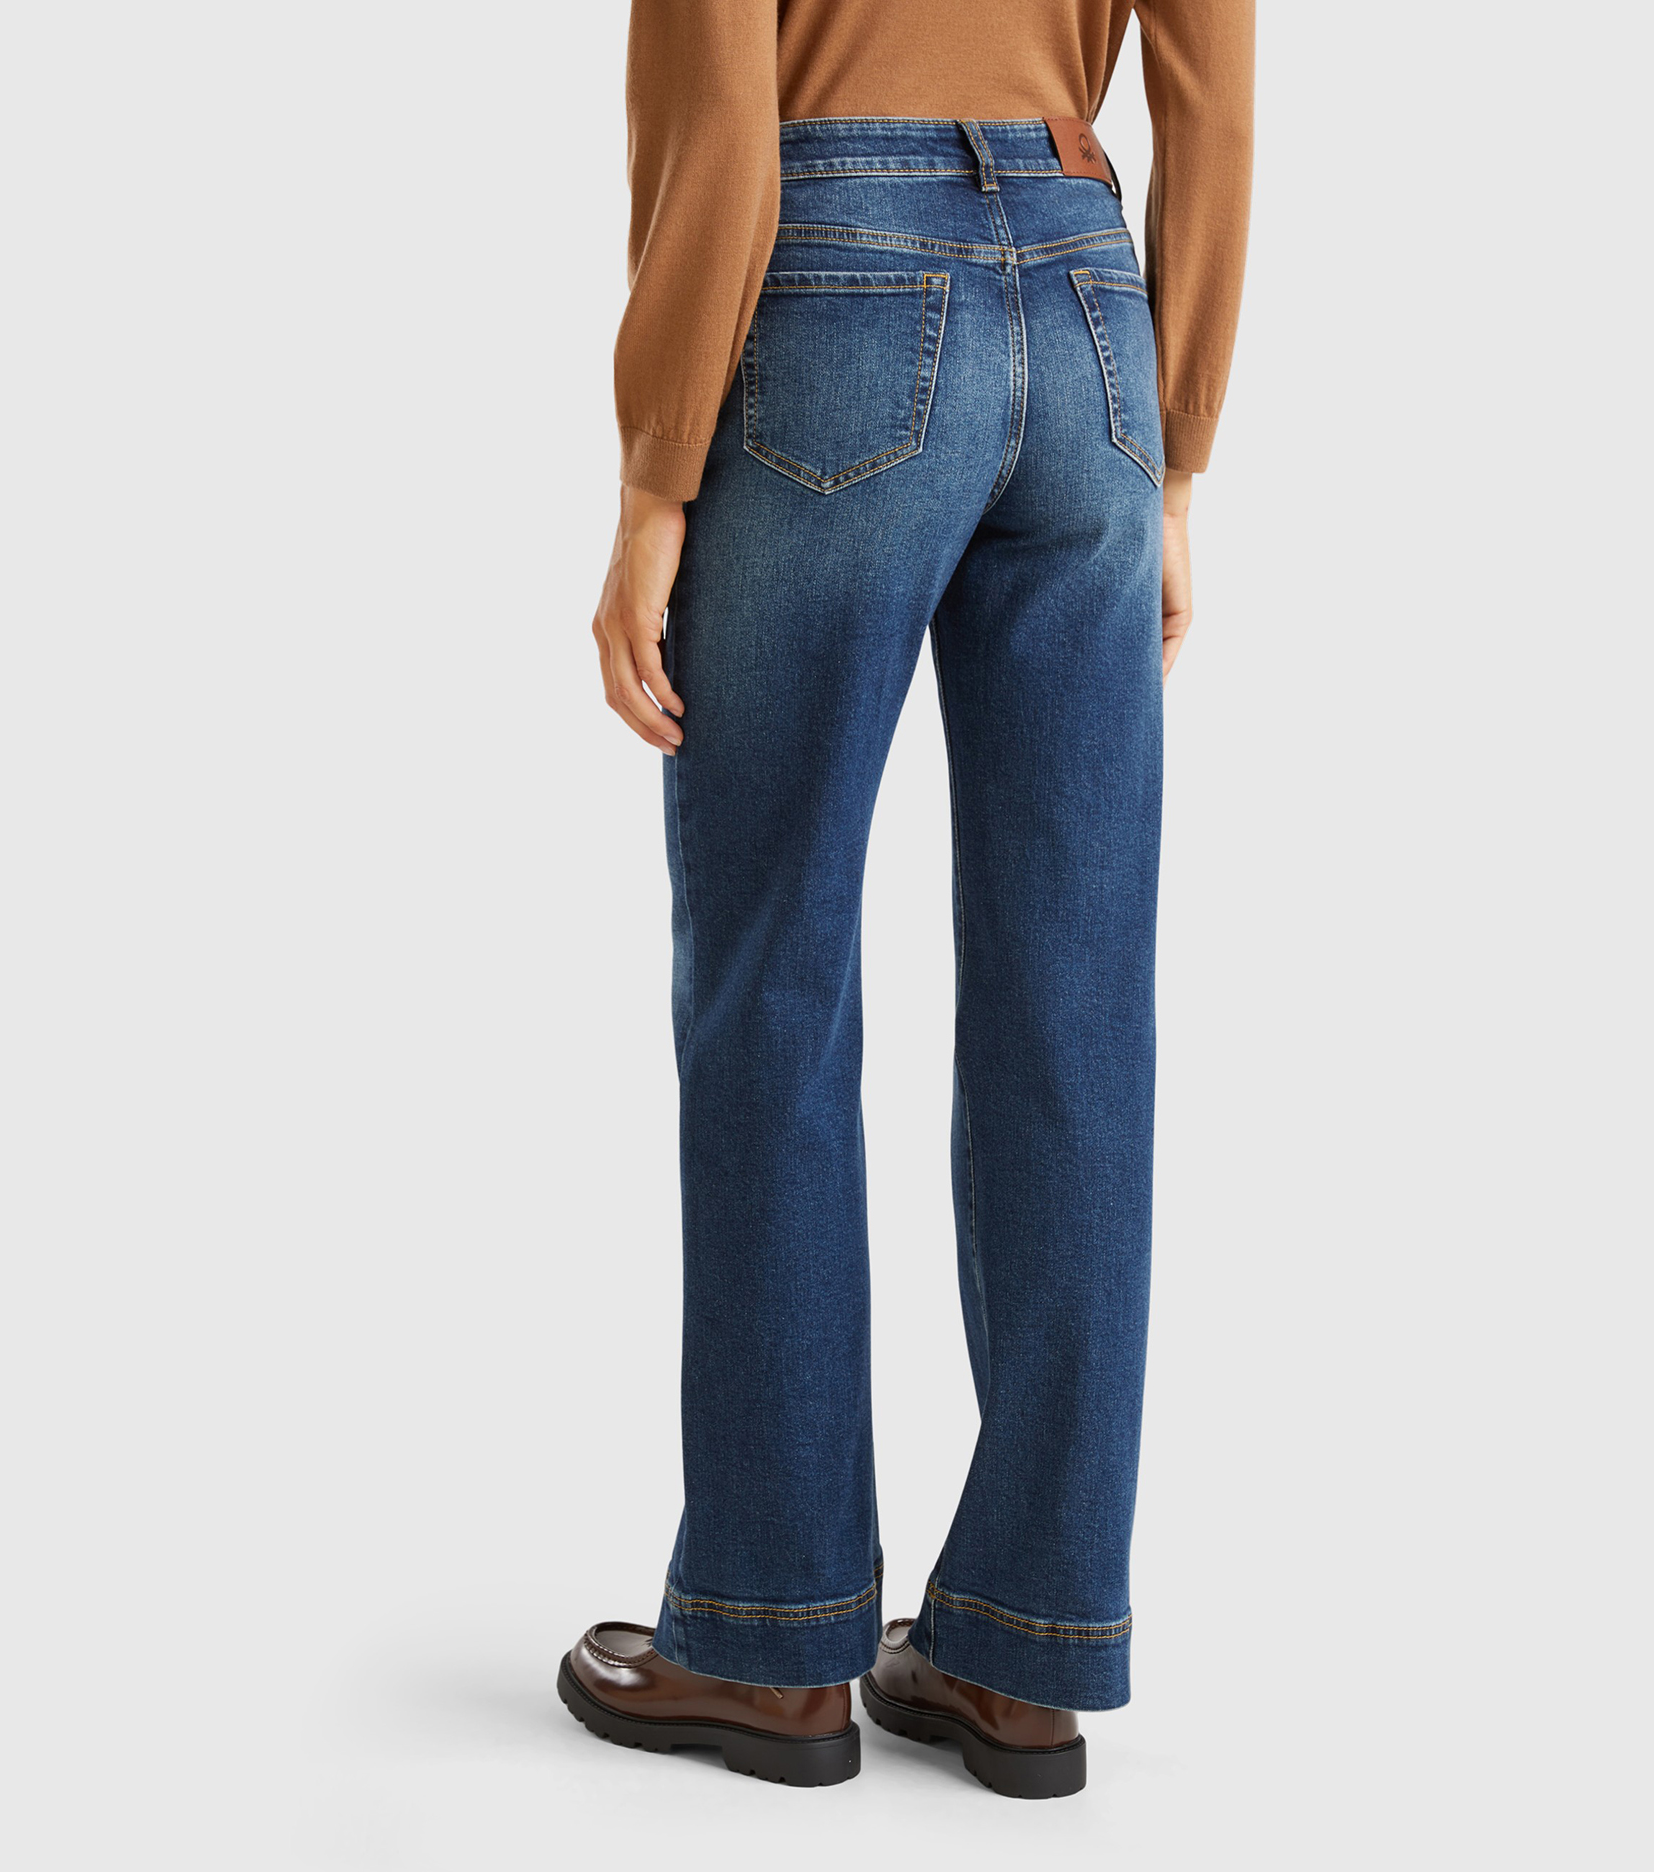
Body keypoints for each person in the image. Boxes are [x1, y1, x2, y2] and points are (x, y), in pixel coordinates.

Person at [560, 0, 1253, 1798]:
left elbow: (717, 106)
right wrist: (1178, 450)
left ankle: (774, 1640)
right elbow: (1215, 97)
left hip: (831, 287)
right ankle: (1026, 1656)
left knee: (774, 977)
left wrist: (654, 477)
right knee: (1074, 1008)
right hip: (1094, 314)